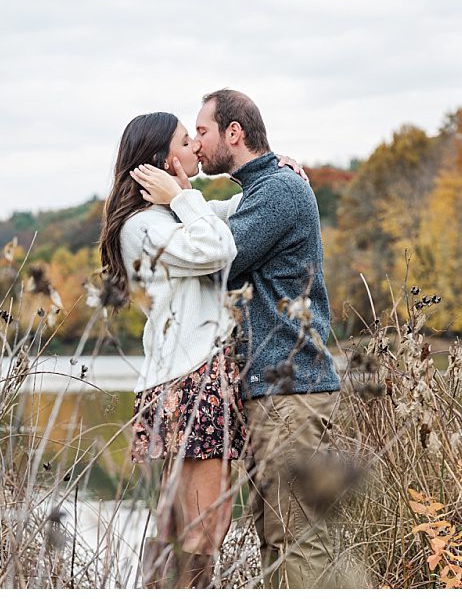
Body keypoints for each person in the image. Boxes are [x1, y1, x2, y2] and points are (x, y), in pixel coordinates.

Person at [100, 112, 308, 588]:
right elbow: (220, 250)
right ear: (162, 159)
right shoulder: (144, 225)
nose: (196, 145)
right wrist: (185, 197)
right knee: (204, 528)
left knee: (187, 526)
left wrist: (278, 174)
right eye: (184, 139)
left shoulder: (172, 214)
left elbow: (235, 212)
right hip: (188, 380)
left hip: (193, 378)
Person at [192, 89, 346, 588]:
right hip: (275, 391)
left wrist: (177, 199)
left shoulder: (279, 190)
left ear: (233, 133)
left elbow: (224, 260)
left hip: (292, 389)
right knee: (275, 537)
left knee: (298, 540)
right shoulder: (265, 188)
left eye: (202, 131)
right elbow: (223, 239)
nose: (196, 143)